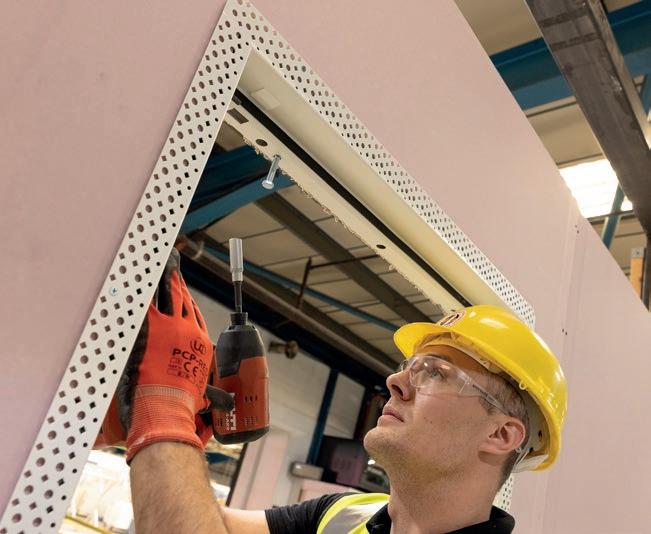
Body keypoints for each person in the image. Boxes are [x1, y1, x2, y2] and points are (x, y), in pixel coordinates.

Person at [100, 251, 567, 534]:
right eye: (409, 367)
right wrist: (176, 439)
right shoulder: (346, 516)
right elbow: (199, 523)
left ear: (501, 435)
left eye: (436, 373)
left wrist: (162, 410)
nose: (395, 382)